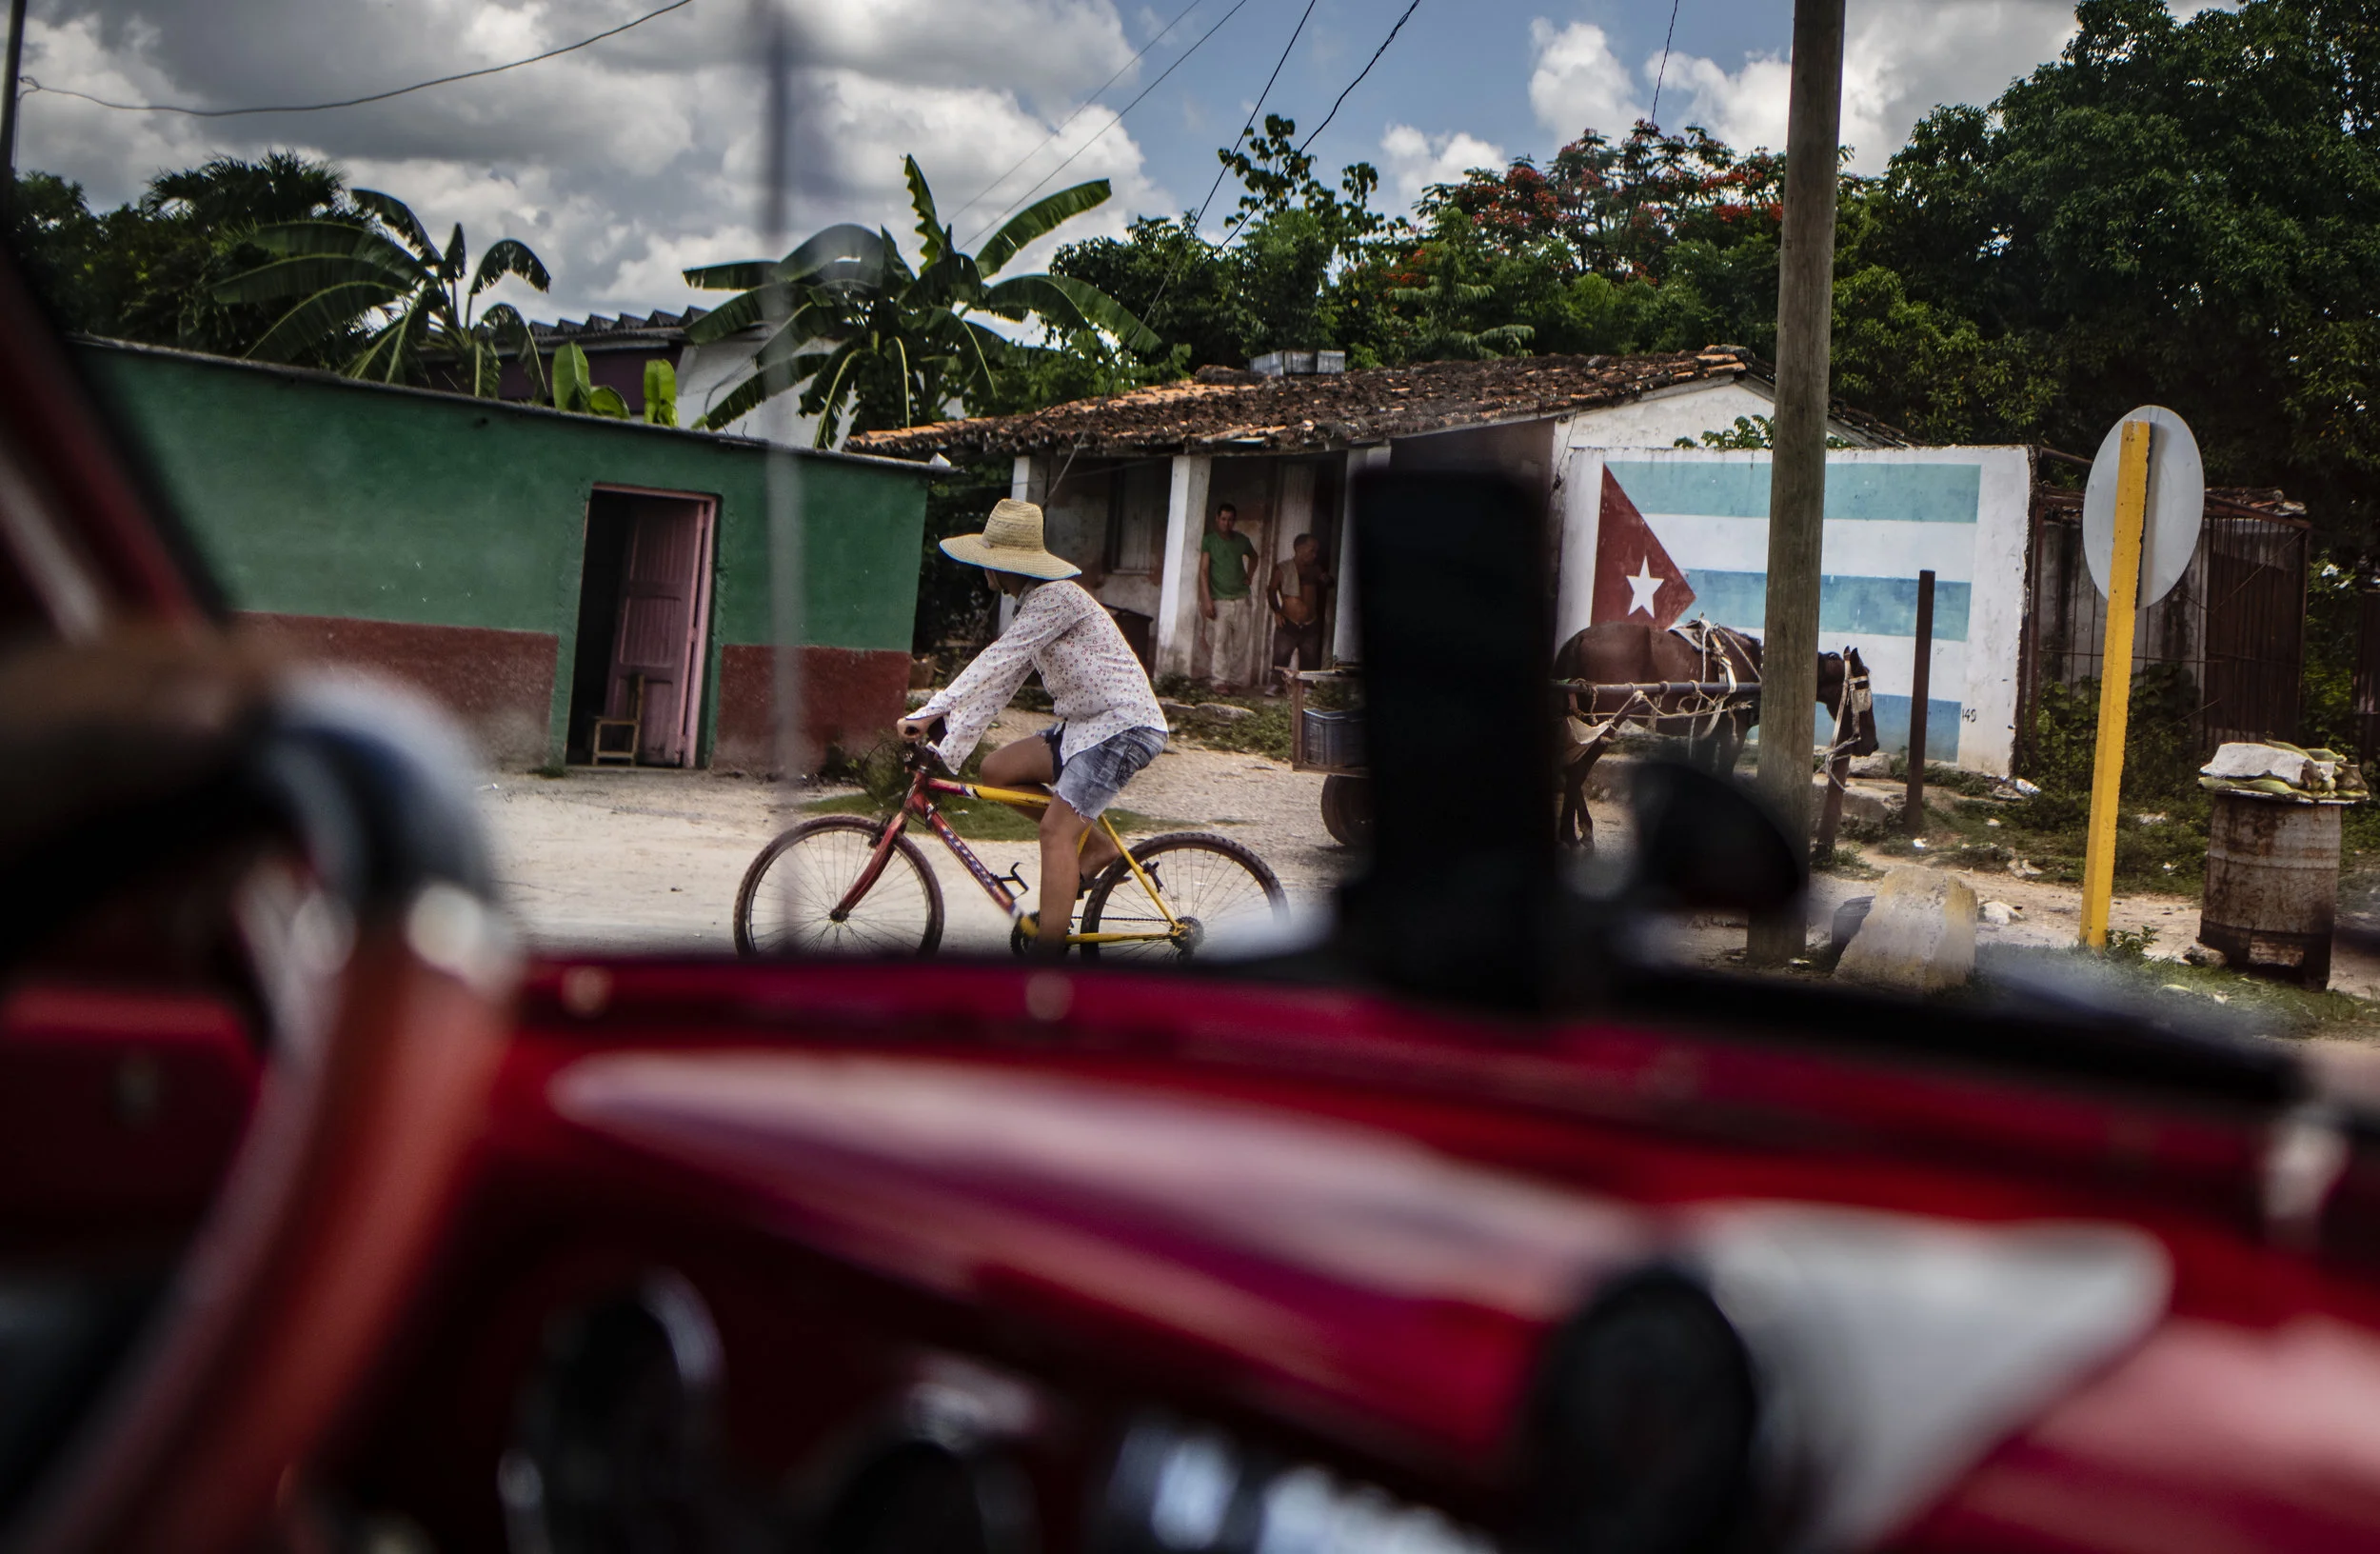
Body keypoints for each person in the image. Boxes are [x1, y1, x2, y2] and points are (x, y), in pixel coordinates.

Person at [899, 498, 1168, 956]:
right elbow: (1003, 680)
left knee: (1056, 832)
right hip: (1087, 726)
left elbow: (997, 658)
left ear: (1004, 564)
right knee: (998, 771)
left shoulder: (1055, 598)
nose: (983, 571)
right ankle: (1097, 849)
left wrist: (930, 710)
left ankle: (1047, 962)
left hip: (1122, 727)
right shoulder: (1036, 604)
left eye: (986, 562)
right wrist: (948, 742)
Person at [1197, 502, 1260, 692]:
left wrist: (1249, 576)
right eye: (1223, 519)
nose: (1227, 523)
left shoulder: (1241, 540)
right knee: (1220, 642)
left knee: (1241, 643)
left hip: (1242, 599)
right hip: (1220, 600)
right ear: (1217, 519)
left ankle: (1236, 681)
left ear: (1234, 521)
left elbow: (1254, 557)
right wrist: (1207, 600)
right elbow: (1203, 571)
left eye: (1230, 520)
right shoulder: (1209, 541)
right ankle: (1219, 681)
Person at [1266, 530, 1332, 694]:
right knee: (1281, 654)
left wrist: (1327, 580)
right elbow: (1271, 590)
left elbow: (1328, 582)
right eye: (1312, 550)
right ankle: (1277, 684)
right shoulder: (1282, 568)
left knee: (1310, 655)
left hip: (1310, 622)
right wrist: (1277, 612)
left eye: (1316, 551)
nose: (1315, 555)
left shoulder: (1316, 570)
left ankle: (1307, 686)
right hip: (1288, 620)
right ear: (1299, 549)